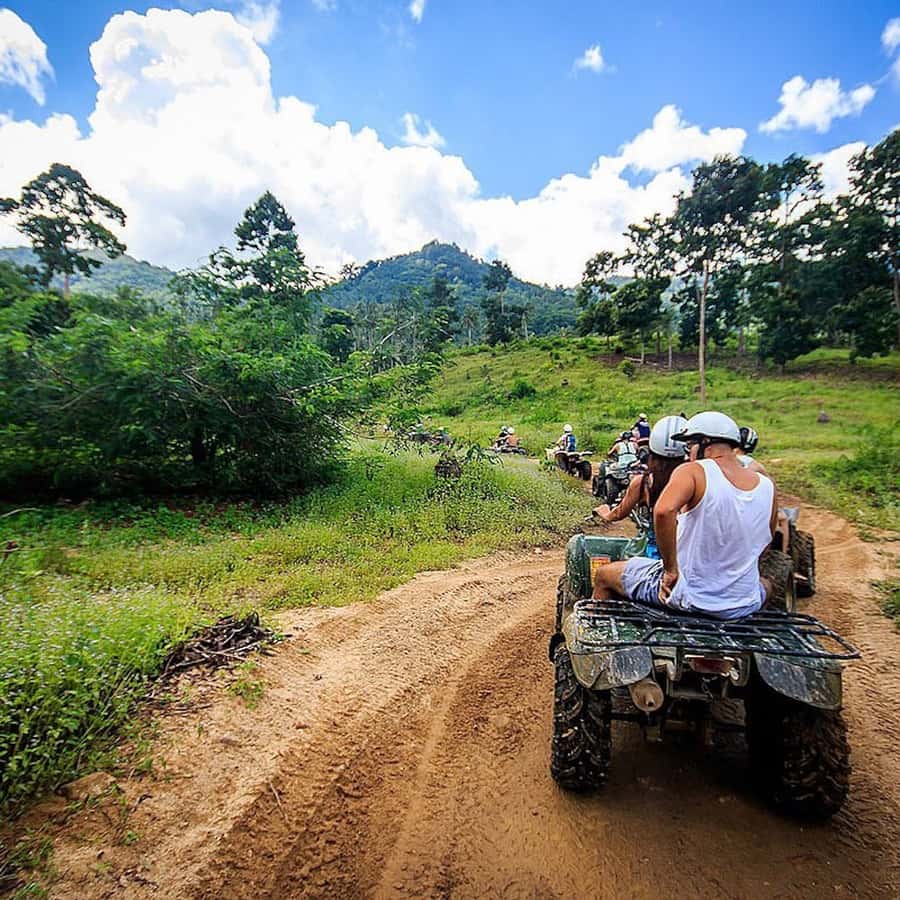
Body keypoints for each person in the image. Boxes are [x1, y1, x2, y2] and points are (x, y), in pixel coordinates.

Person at [592, 411, 777, 620]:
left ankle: (596, 631)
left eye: (689, 446)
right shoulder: (767, 485)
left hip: (689, 596)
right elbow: (765, 541)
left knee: (603, 575)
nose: (688, 454)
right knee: (767, 585)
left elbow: (663, 511)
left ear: (704, 442)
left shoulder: (693, 471)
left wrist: (670, 569)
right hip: (744, 601)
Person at [592, 415, 688, 559]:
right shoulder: (700, 481)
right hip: (693, 555)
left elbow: (618, 514)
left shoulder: (643, 482)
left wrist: (605, 511)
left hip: (656, 555)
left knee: (603, 571)